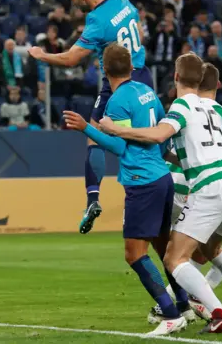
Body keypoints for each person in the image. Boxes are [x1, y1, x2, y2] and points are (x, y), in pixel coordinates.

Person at [100, 53, 222, 334]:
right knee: (212, 250)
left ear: (176, 78)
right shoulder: (215, 109)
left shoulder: (180, 108)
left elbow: (157, 136)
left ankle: (218, 313)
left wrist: (114, 129)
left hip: (210, 188)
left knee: (174, 259)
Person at [63, 43, 192, 336]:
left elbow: (120, 146)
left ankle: (170, 314)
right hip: (162, 178)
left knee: (134, 254)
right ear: (132, 66)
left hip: (141, 181)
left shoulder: (117, 101)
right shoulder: (147, 92)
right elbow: (162, 131)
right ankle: (184, 304)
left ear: (103, 69)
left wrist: (87, 127)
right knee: (163, 248)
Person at [28, 0, 153, 235]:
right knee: (147, 139)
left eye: (74, 0)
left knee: (95, 139)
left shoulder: (95, 20)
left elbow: (72, 59)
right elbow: (140, 33)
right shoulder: (122, 1)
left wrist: (41, 55)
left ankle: (93, 200)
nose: (75, 4)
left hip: (117, 83)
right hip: (143, 76)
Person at [148, 64, 222, 324]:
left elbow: (165, 144)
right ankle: (184, 299)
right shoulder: (212, 110)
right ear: (216, 86)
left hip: (185, 184)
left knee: (202, 250)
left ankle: (185, 299)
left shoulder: (183, 108)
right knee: (202, 251)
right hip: (191, 189)